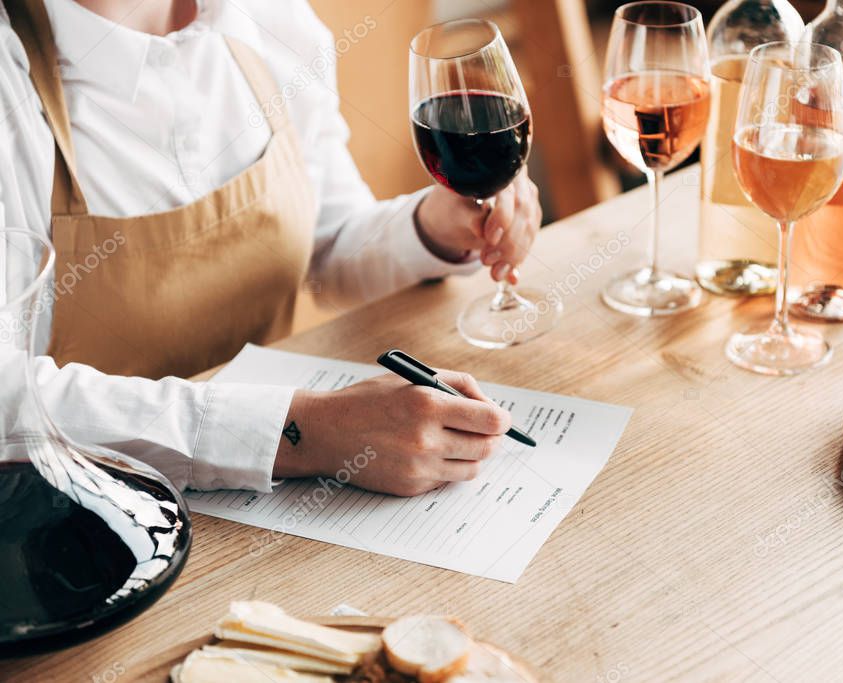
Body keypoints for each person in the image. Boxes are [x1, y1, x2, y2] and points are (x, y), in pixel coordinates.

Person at [0, 0, 543, 496]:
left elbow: (327, 249)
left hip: (281, 495)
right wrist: (302, 432)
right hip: (75, 511)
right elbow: (7, 399)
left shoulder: (270, 19)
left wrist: (430, 227)